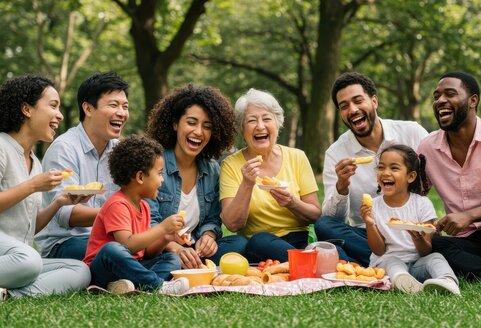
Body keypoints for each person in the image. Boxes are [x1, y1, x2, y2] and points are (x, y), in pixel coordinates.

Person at [315, 72, 428, 266]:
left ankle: (363, 261)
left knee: (334, 252)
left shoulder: (412, 133)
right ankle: (396, 260)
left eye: (358, 101)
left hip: (411, 231)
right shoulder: (336, 153)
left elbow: (436, 175)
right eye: (344, 106)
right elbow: (334, 219)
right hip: (367, 233)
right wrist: (342, 186)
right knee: (324, 225)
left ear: (374, 101)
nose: (352, 110)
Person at [0, 74, 91, 300]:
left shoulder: (35, 162)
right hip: (17, 257)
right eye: (53, 106)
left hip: (18, 256)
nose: (59, 115)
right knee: (29, 260)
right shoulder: (1, 147)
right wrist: (32, 185)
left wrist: (59, 202)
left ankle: (8, 294)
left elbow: (28, 228)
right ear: (27, 109)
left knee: (79, 270)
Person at [418, 71, 481, 281]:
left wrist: (469, 216)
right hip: (468, 242)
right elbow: (416, 194)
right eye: (436, 97)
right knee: (433, 246)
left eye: (450, 94)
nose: (440, 101)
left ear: (472, 101)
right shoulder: (427, 147)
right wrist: (427, 225)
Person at [146, 85, 247, 268]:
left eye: (207, 126)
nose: (199, 132)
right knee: (173, 261)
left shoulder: (212, 170)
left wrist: (209, 236)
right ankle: (179, 264)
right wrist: (176, 248)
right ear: (175, 123)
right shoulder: (154, 165)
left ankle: (192, 263)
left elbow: (213, 219)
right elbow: (148, 222)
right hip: (161, 248)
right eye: (191, 123)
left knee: (238, 245)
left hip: (194, 247)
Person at [35, 72, 129, 260]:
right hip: (67, 243)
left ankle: (118, 279)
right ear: (88, 108)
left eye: (125, 106)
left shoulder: (121, 151)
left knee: (157, 250)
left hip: (113, 237)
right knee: (114, 251)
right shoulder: (64, 148)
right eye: (113, 105)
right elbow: (66, 214)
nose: (121, 112)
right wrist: (119, 213)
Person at [220, 88, 321, 263]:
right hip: (259, 244)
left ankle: (301, 261)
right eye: (251, 120)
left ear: (277, 123)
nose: (260, 126)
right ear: (242, 129)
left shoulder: (297, 157)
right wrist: (247, 184)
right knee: (260, 240)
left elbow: (315, 215)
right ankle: (309, 263)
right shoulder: (231, 165)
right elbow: (232, 224)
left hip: (298, 240)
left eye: (267, 119)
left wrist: (292, 203)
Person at [83, 135, 189, 295]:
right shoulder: (117, 204)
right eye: (159, 174)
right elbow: (128, 245)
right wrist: (161, 228)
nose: (162, 180)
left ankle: (135, 287)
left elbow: (146, 253)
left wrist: (167, 237)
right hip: (104, 269)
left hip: (132, 267)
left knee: (171, 258)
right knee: (112, 249)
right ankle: (159, 286)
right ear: (140, 177)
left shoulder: (144, 207)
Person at [361, 144, 460, 295]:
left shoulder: (422, 204)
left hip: (416, 264)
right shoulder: (374, 206)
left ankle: (448, 282)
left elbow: (425, 251)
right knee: (392, 261)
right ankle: (404, 282)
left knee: (436, 257)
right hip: (388, 263)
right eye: (381, 167)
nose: (385, 173)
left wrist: (418, 238)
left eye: (394, 168)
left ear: (411, 176)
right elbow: (379, 250)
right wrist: (370, 223)